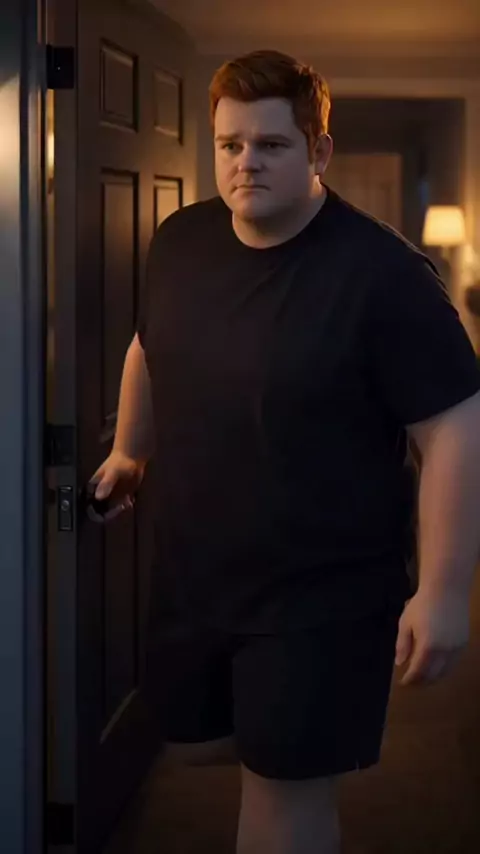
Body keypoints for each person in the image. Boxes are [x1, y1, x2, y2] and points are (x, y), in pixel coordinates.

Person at [90, 50, 480, 854]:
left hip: (323, 593)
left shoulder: (384, 275)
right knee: (205, 749)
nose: (246, 163)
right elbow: (148, 345)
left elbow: (455, 426)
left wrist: (444, 591)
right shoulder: (181, 239)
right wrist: (130, 450)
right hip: (197, 572)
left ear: (318, 150)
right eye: (230, 145)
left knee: (285, 797)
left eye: (270, 145)